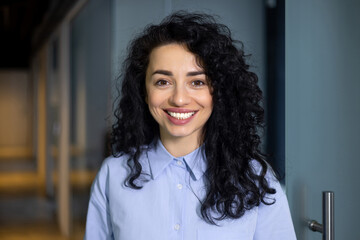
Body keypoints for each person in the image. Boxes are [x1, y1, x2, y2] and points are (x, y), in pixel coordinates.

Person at [84, 11, 296, 240]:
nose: (179, 99)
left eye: (197, 82)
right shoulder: (113, 175)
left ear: (218, 92)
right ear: (144, 91)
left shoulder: (256, 179)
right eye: (163, 82)